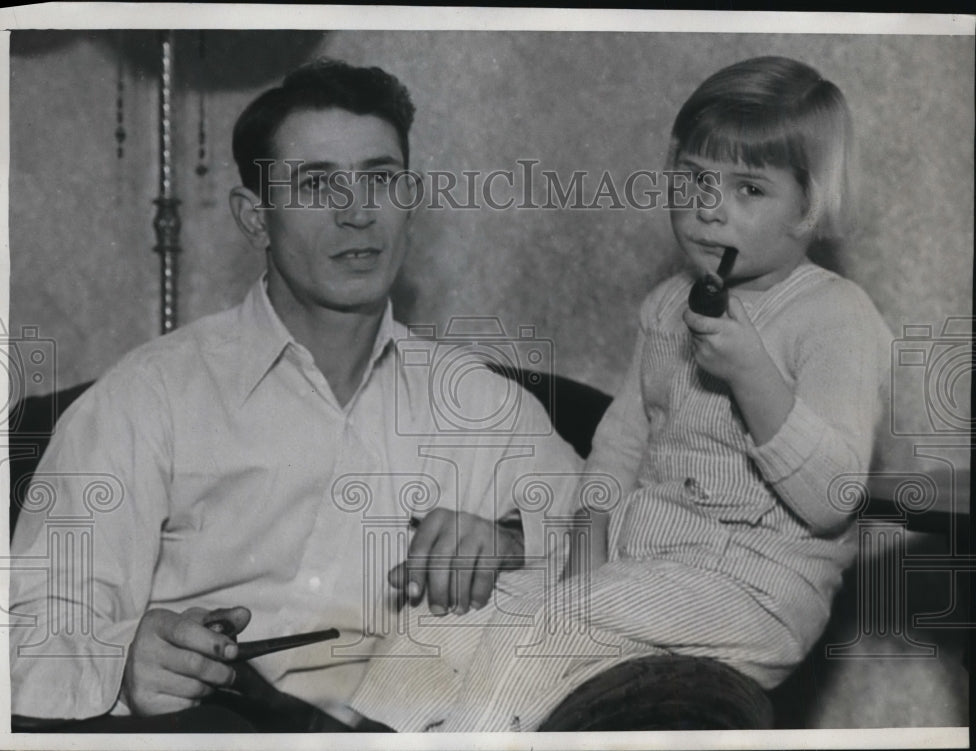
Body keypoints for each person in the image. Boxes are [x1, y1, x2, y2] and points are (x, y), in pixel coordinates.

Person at [9, 59, 581, 732]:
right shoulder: (147, 398)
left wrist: (510, 540)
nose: (358, 212)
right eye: (316, 184)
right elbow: (24, 629)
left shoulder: (488, 408)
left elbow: (625, 547)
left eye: (380, 178)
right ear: (256, 218)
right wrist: (123, 658)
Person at [348, 56, 894, 732]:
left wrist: (754, 373)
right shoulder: (667, 307)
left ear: (809, 206)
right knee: (452, 613)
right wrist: (588, 528)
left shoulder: (837, 316)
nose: (707, 207)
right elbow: (619, 443)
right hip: (644, 562)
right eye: (694, 178)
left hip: (757, 590)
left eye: (748, 189)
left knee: (558, 623)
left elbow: (835, 496)